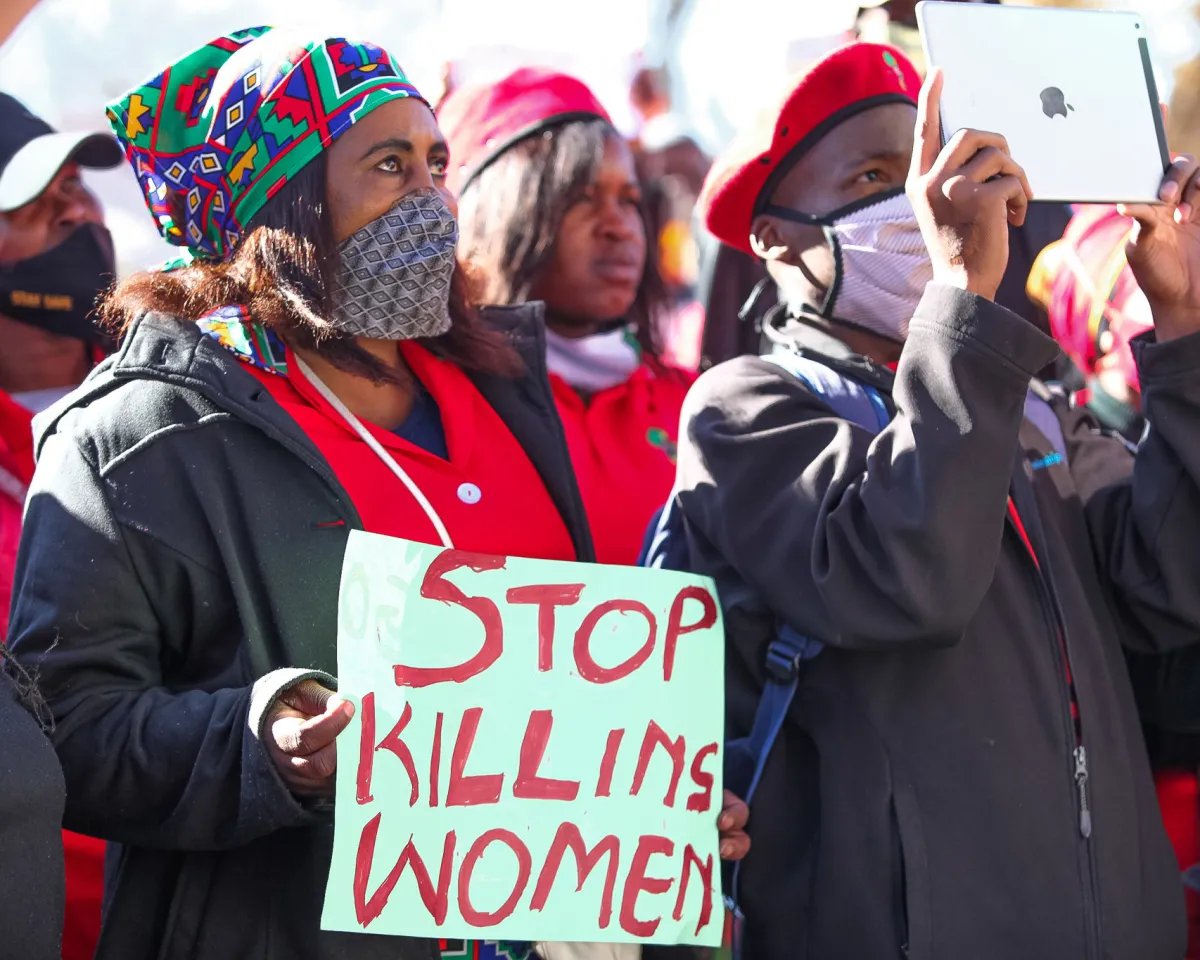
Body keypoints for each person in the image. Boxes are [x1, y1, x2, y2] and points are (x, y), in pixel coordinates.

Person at [6, 28, 748, 960]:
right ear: (280, 197)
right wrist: (259, 740)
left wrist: (651, 806)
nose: (432, 198)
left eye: (437, 165)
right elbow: (65, 723)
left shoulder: (503, 392)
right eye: (389, 165)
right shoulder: (134, 437)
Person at [673, 41, 1200, 957]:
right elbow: (906, 580)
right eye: (880, 174)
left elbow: (1171, 583)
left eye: (936, 161)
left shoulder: (1036, 404)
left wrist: (1186, 331)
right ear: (775, 237)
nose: (923, 195)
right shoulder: (746, 411)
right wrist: (959, 302)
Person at [440, 69, 696, 566]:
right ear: (493, 215)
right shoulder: (431, 404)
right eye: (580, 198)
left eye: (629, 200)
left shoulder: (692, 406)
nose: (620, 228)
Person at [0, 90, 122, 960]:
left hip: (178, 913)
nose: (79, 211)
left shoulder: (173, 409)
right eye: (39, 204)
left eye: (77, 187)